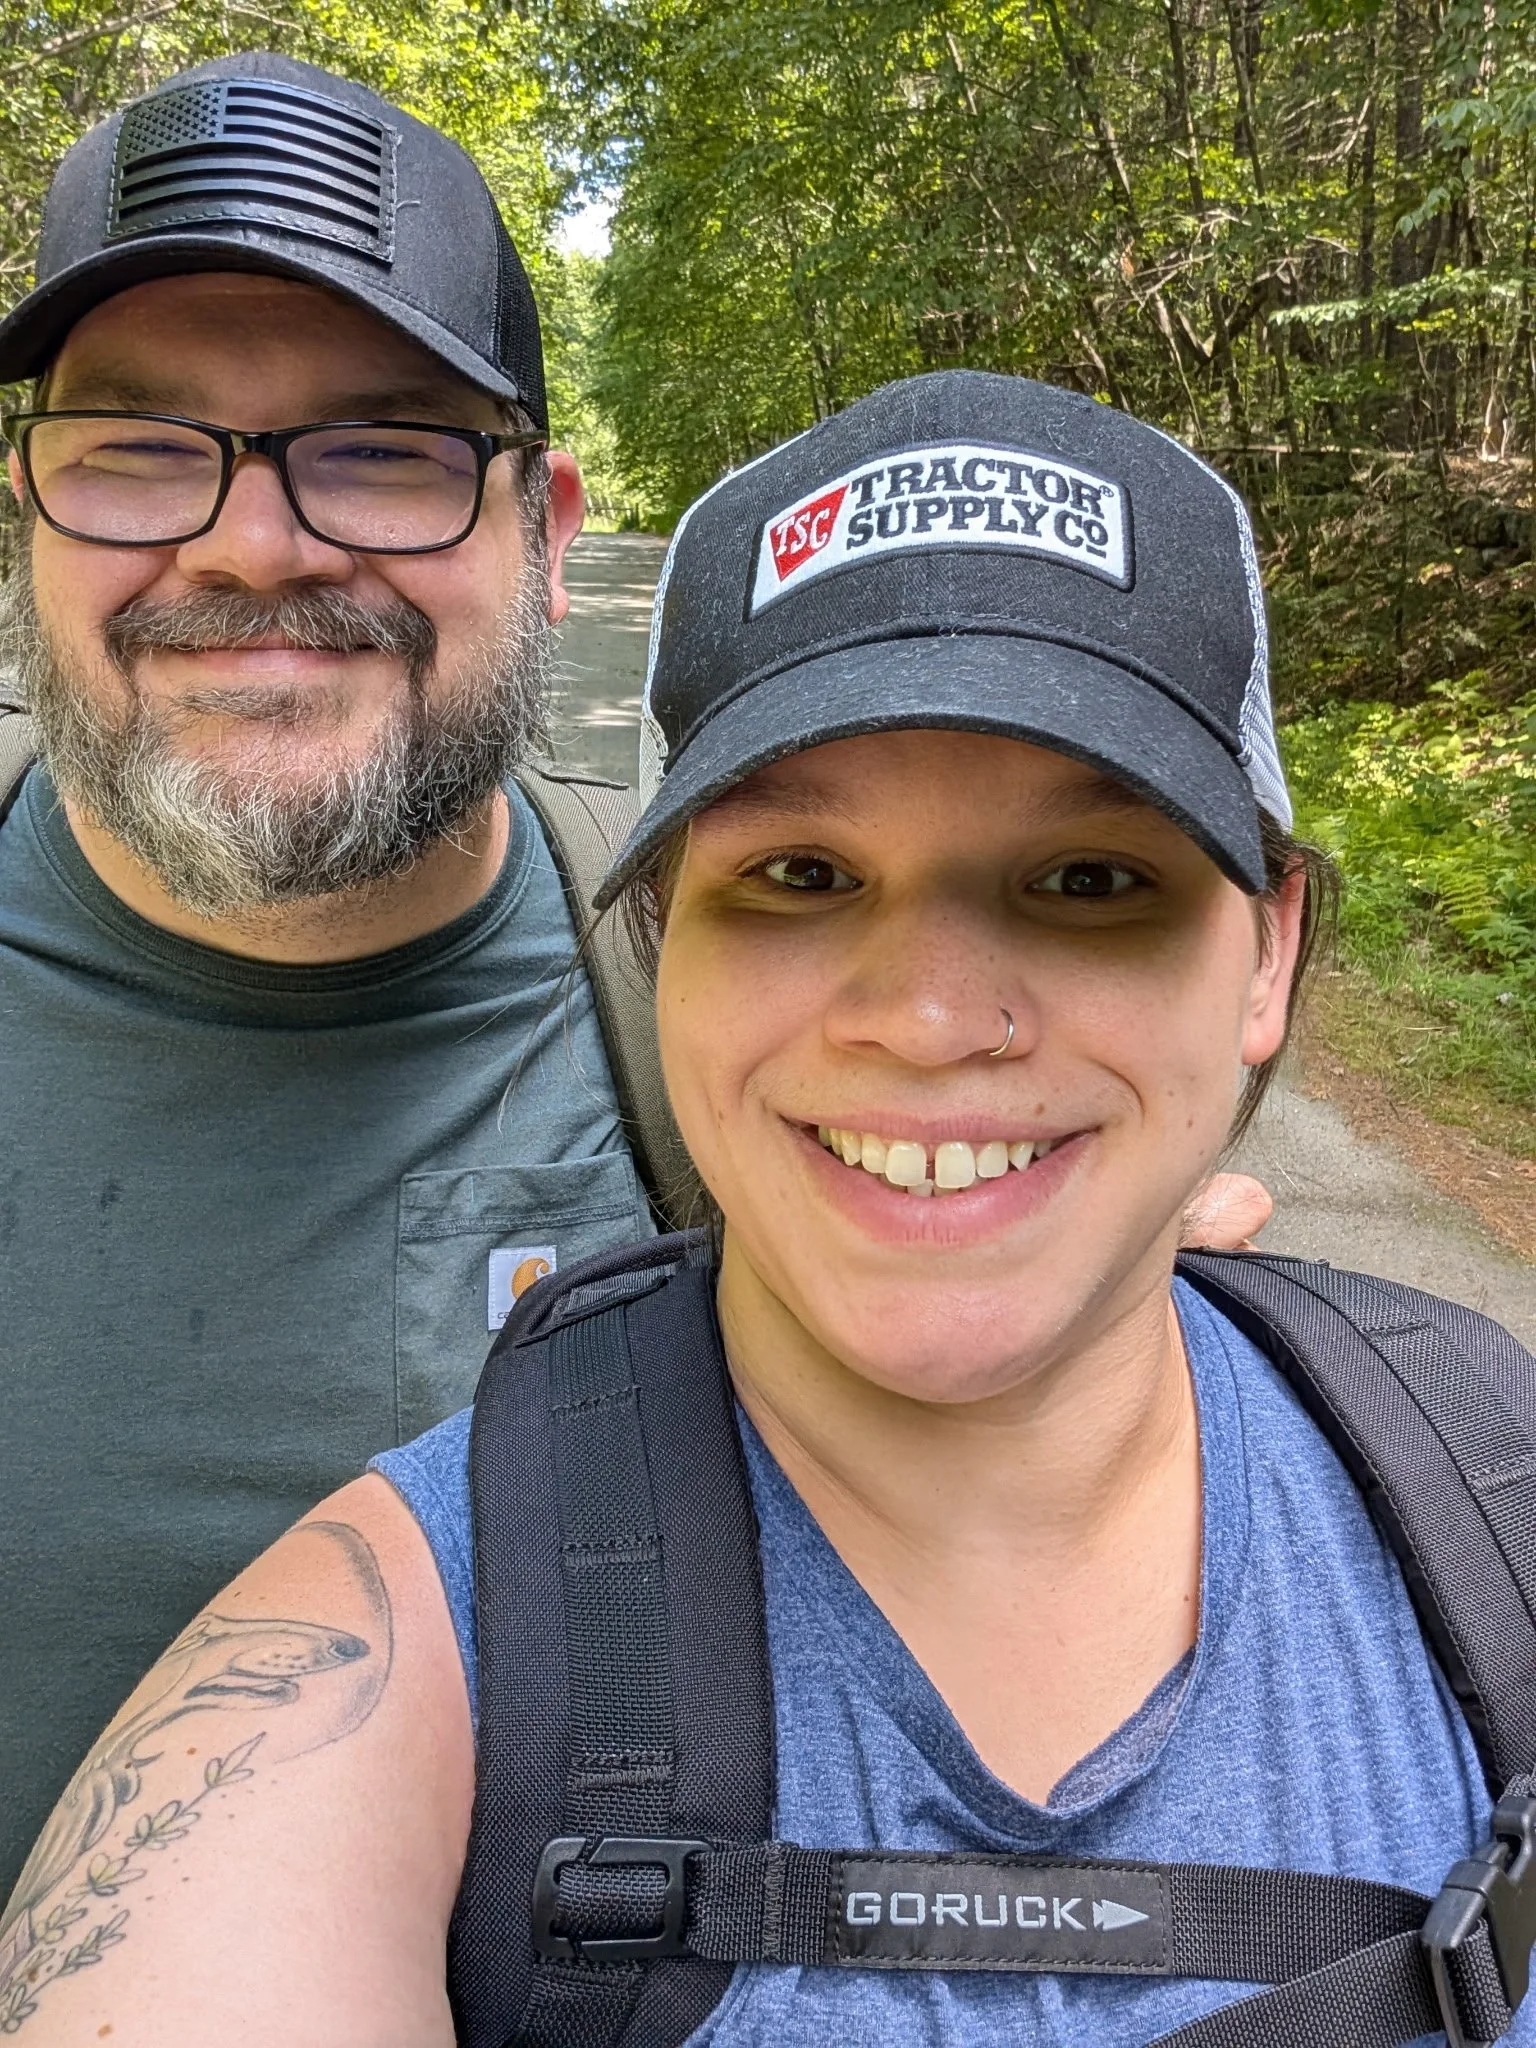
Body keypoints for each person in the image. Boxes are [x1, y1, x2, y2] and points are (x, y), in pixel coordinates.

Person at [8, 369, 1525, 2048]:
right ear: (664, 947)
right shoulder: (361, 1667)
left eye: (1091, 880)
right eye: (800, 877)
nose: (935, 1019)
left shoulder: (1493, 1505)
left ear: (1270, 956)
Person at [0, 49, 663, 1898]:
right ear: (29, 521)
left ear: (547, 535)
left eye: (381, 449)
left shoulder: (744, 1030)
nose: (248, 542)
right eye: (136, 451)